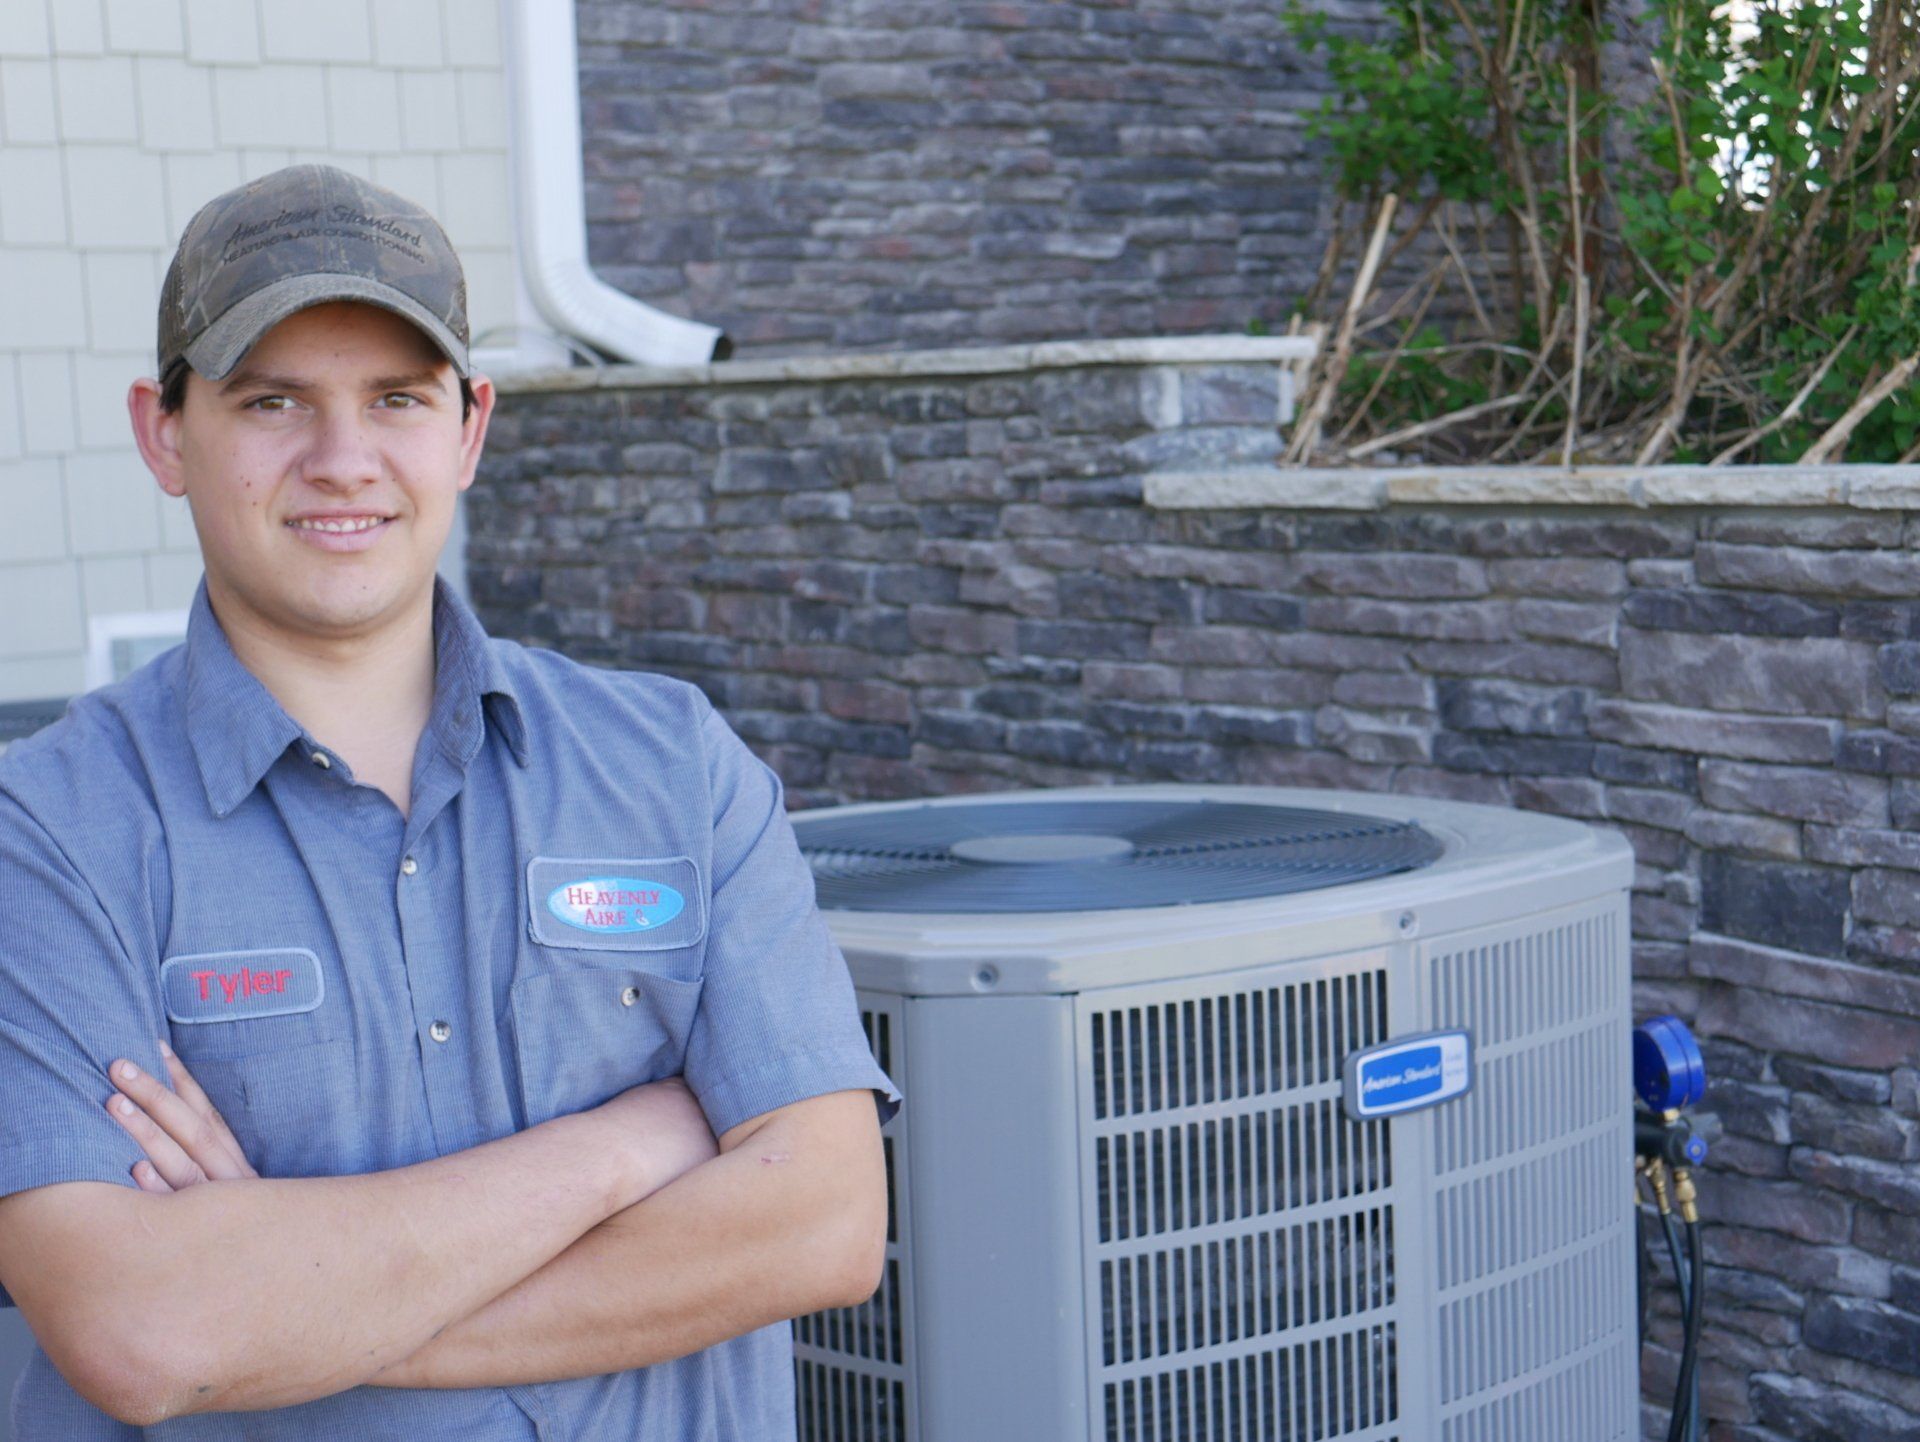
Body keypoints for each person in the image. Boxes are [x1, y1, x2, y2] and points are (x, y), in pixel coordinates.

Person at [0, 164, 899, 1439]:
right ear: (165, 431)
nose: (342, 459)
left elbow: (824, 1223)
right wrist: (628, 1147)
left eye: (397, 399)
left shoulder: (674, 764)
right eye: (272, 401)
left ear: (468, 429)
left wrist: (285, 1301)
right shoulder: (47, 835)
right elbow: (144, 1329)